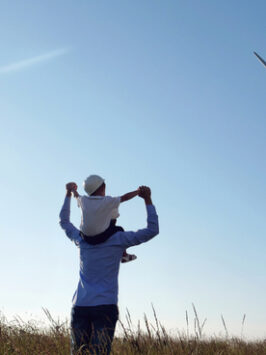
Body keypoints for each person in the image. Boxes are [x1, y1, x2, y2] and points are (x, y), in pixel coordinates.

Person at [59, 183, 159, 354]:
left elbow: (64, 221)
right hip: (105, 306)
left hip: (81, 305)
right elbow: (152, 230)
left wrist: (68, 194)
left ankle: (124, 256)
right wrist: (147, 200)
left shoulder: (80, 239)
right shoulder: (118, 238)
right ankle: (124, 255)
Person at [72, 174, 139, 263]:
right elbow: (125, 197)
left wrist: (72, 189)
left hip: (85, 237)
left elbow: (76, 195)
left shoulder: (83, 200)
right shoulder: (107, 201)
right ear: (102, 188)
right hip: (99, 237)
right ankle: (123, 255)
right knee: (119, 229)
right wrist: (138, 191)